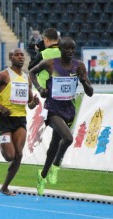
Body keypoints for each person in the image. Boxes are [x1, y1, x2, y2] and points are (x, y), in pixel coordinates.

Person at [29, 37, 93, 196]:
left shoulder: (79, 66)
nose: (70, 51)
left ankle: (42, 175)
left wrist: (83, 80)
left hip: (69, 111)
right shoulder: (51, 63)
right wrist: (39, 88)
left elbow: (90, 93)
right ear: (60, 49)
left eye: (73, 48)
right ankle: (56, 167)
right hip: (53, 110)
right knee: (69, 138)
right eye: (67, 48)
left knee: (53, 147)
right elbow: (31, 72)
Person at [0, 48, 39, 196]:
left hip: (20, 119)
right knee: (9, 156)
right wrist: (1, 107)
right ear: (10, 57)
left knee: (19, 155)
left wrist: (35, 103)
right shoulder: (4, 75)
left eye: (22, 55)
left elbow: (30, 103)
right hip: (5, 118)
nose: (20, 57)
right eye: (17, 55)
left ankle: (5, 186)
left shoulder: (27, 78)